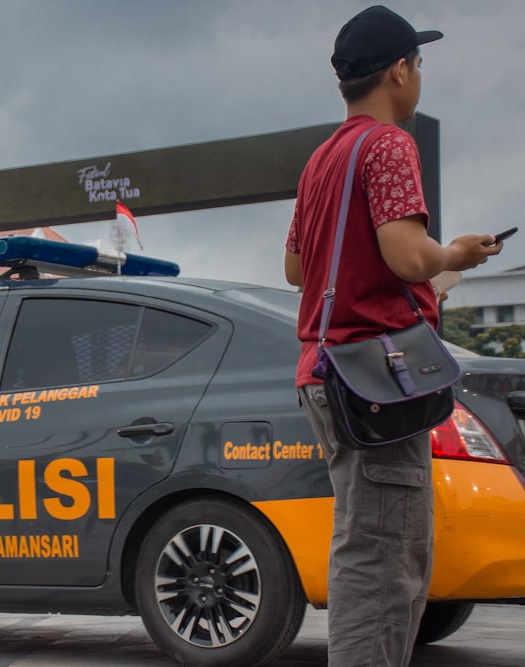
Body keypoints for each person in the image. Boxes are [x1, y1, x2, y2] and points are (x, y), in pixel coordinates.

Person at [283, 6, 503, 666]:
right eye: (419, 65)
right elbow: (407, 255)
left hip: (327, 372)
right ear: (400, 71)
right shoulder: (387, 144)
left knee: (369, 543)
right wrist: (454, 255)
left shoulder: (322, 158)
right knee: (384, 560)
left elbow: (295, 268)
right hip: (376, 378)